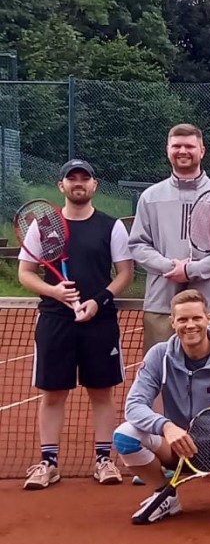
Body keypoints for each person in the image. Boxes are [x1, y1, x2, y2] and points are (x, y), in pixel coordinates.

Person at [18, 159, 133, 490]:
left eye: (85, 178)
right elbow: (26, 274)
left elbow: (124, 272)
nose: (78, 183)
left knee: (101, 392)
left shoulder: (111, 226)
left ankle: (103, 459)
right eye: (72, 179)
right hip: (55, 320)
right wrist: (53, 290)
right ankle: (49, 462)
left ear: (94, 185)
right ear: (62, 186)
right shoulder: (43, 226)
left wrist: (98, 301)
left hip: (100, 321)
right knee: (53, 393)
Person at [114, 290, 210, 523]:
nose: (190, 325)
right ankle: (165, 495)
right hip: (180, 445)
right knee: (125, 436)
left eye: (196, 318)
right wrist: (166, 427)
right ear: (172, 322)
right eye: (183, 319)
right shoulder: (158, 356)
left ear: (208, 318)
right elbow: (134, 405)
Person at [127, 123, 210, 348]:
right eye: (176, 146)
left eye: (189, 146)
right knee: (163, 375)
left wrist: (190, 270)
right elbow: (138, 244)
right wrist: (170, 267)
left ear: (202, 150)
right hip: (161, 305)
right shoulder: (150, 197)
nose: (182, 151)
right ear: (167, 149)